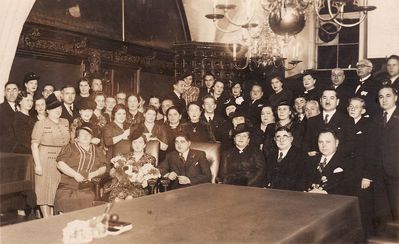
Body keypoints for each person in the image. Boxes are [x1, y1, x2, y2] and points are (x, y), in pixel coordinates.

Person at [31, 93, 70, 217]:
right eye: (54, 109)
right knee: (44, 189)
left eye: (59, 107)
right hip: (45, 159)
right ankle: (46, 218)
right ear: (47, 110)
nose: (57, 111)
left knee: (56, 189)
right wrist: (38, 165)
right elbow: (34, 145)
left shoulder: (65, 122)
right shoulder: (40, 124)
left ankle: (52, 217)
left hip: (63, 159)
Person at [54, 123, 106, 213]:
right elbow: (60, 164)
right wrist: (75, 175)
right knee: (64, 199)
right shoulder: (70, 147)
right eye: (82, 134)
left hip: (87, 187)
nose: (85, 136)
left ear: (92, 138)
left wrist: (95, 173)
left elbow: (104, 167)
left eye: (88, 134)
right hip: (68, 185)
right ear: (77, 137)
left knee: (87, 198)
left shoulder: (97, 150)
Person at [369, 85, 399, 227]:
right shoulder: (375, 120)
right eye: (381, 97)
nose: (384, 99)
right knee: (382, 215)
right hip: (379, 175)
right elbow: (372, 148)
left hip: (396, 174)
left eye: (388, 96)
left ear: (396, 98)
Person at [347, 97, 375, 237]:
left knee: (363, 208)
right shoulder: (344, 124)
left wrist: (368, 175)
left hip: (362, 174)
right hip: (347, 174)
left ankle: (365, 238)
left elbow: (372, 152)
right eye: (351, 106)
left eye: (356, 107)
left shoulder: (369, 125)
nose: (352, 108)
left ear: (363, 110)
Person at [106, 130, 157, 201]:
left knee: (129, 199)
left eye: (140, 142)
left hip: (139, 187)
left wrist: (145, 180)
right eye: (135, 142)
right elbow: (112, 175)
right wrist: (115, 166)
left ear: (144, 145)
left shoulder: (150, 159)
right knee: (116, 200)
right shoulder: (124, 157)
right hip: (123, 186)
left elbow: (152, 175)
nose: (137, 145)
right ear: (132, 145)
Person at [303, 89, 354, 157]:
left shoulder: (347, 120)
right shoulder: (312, 121)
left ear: (337, 101)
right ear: (320, 101)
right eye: (325, 98)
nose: (327, 101)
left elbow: (350, 144)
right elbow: (306, 144)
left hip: (338, 161)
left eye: (331, 98)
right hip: (315, 160)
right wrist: (309, 152)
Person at [305, 129, 353, 196]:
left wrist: (325, 192)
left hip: (333, 201)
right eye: (320, 142)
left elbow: (349, 185)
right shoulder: (310, 160)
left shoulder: (347, 161)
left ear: (336, 143)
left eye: (328, 142)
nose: (324, 145)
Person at [0, 82, 19, 152]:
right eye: (8, 90)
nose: (11, 93)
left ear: (19, 92)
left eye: (14, 90)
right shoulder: (1, 109)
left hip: (22, 152)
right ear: (5, 93)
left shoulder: (24, 108)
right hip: (5, 151)